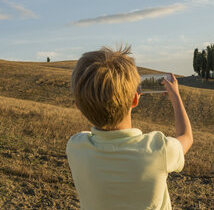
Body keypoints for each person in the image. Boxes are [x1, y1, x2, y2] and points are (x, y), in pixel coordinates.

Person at [66, 45, 193, 210]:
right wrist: (175, 96)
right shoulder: (158, 149)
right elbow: (186, 136)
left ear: (78, 107)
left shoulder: (76, 147)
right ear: (135, 99)